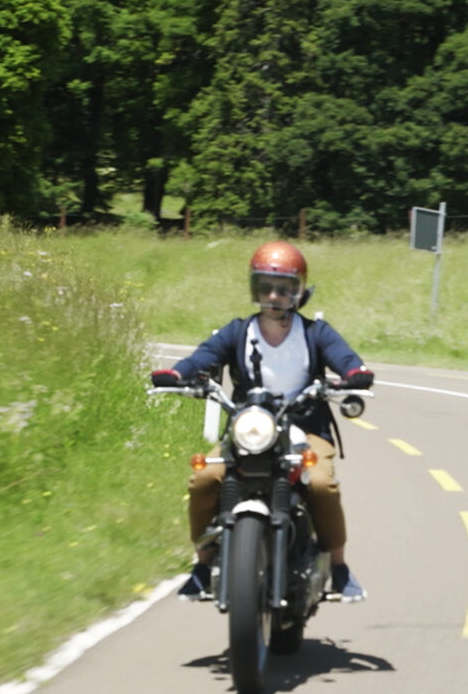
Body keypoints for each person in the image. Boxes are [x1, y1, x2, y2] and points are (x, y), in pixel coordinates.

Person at [150, 241, 373, 602]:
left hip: (306, 427)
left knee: (320, 484)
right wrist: (178, 374)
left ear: (298, 291)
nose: (273, 296)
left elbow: (346, 358)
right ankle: (203, 565)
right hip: (250, 428)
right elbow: (204, 356)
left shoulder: (316, 333)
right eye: (265, 287)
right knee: (204, 478)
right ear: (255, 289)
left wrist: (355, 374)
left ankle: (339, 567)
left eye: (283, 288)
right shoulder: (238, 332)